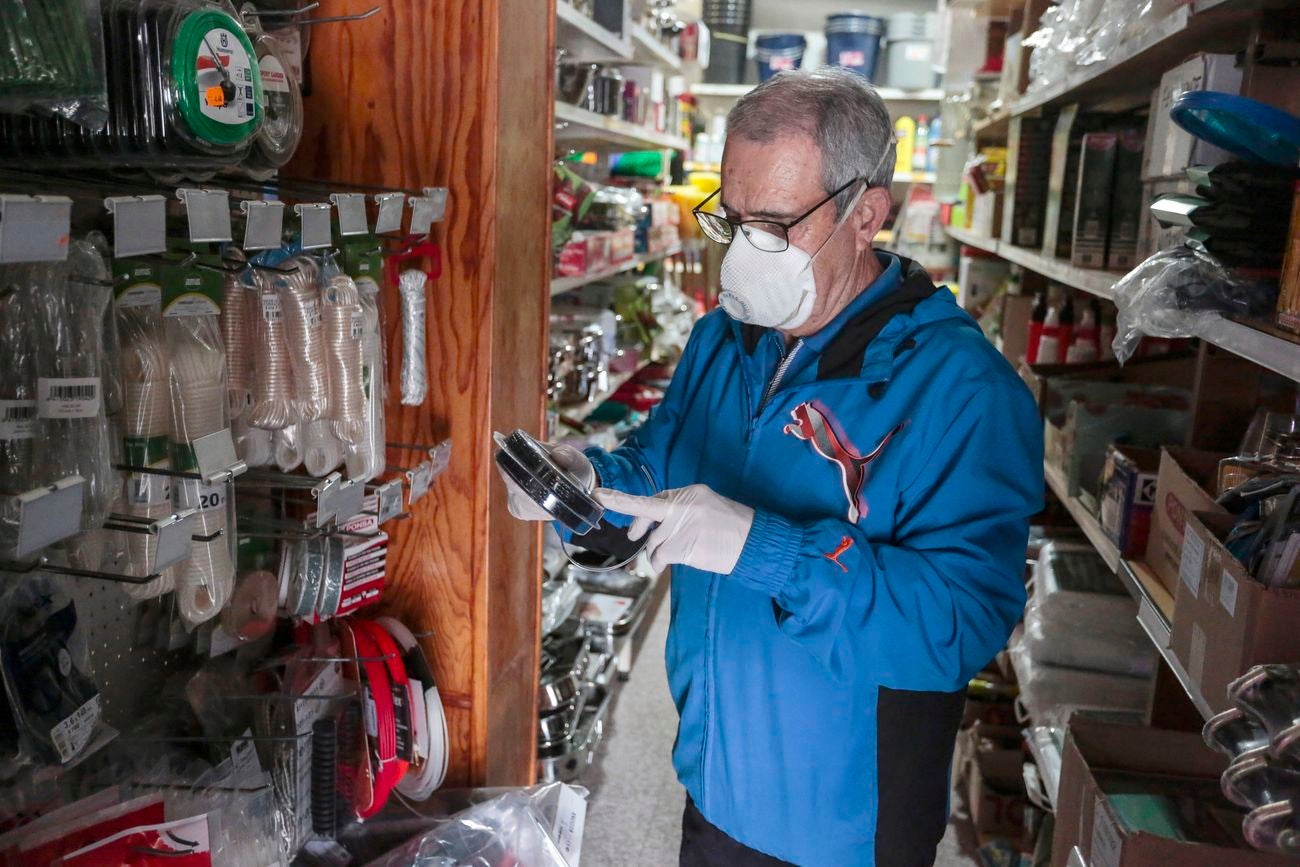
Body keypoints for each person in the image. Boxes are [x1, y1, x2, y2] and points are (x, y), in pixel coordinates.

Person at [502, 68, 1043, 867]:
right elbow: (661, 457)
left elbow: (958, 624)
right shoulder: (727, 337)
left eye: (777, 224)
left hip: (842, 825)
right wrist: (586, 485)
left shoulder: (961, 390)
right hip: (715, 775)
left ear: (866, 215)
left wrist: (766, 548)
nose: (746, 250)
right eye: (732, 216)